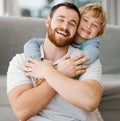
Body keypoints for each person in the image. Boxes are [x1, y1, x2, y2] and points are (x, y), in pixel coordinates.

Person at [7, 2, 103, 121]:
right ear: (48, 21)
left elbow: (90, 101)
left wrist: (48, 72)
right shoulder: (22, 61)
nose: (65, 27)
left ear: (76, 29)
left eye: (72, 24)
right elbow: (22, 111)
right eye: (60, 20)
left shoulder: (82, 58)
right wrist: (60, 72)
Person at [23, 3, 107, 65]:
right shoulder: (65, 35)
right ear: (78, 21)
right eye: (85, 20)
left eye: (95, 25)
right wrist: (38, 63)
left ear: (100, 32)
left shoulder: (91, 45)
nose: (88, 26)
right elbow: (32, 43)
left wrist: (61, 68)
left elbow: (90, 56)